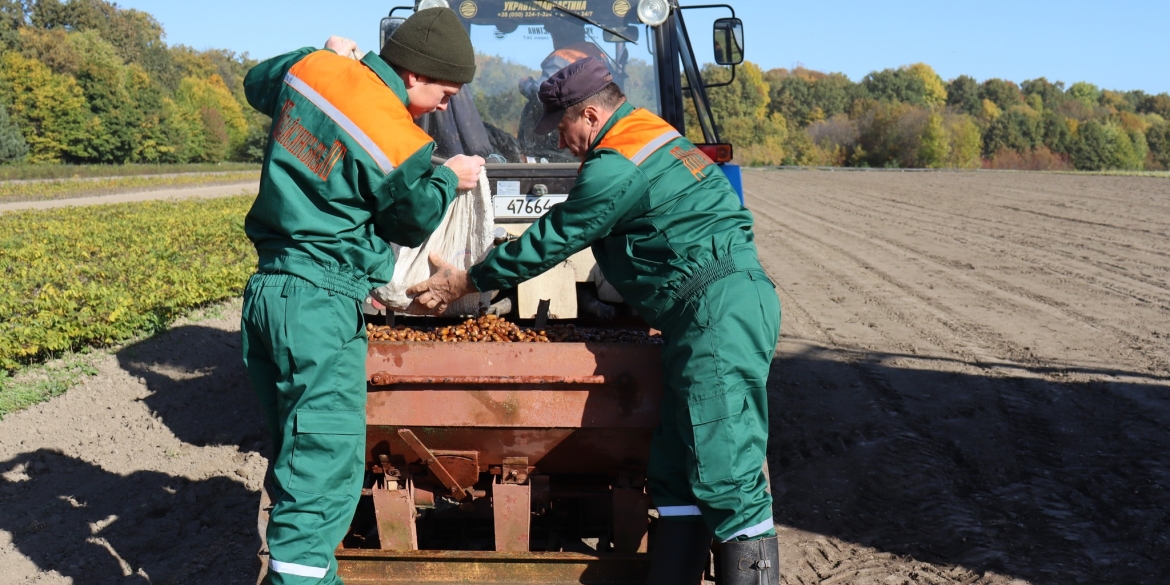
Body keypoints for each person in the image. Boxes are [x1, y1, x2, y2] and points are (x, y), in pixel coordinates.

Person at [407, 58, 782, 585]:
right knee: (674, 470)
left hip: (716, 311)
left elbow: (557, 235)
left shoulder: (618, 161)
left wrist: (467, 280)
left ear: (588, 113)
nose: (560, 143)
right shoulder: (649, 132)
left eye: (561, 129)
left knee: (727, 471)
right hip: (696, 315)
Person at [239, 8, 484, 584]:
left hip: (269, 292)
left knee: (297, 460)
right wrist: (451, 178)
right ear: (414, 75)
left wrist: (320, 52)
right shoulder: (399, 136)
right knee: (323, 471)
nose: (446, 107)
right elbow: (409, 221)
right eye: (445, 93)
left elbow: (256, 84)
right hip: (322, 301)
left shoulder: (315, 68)